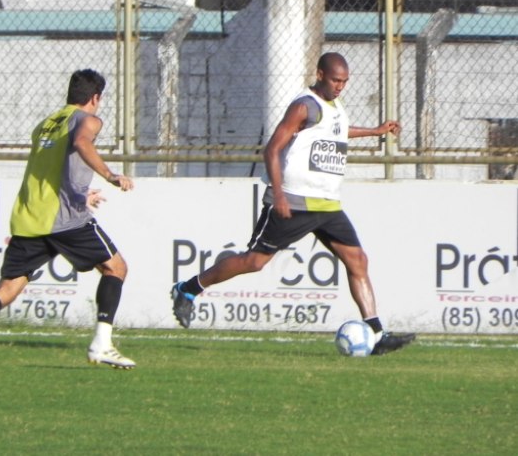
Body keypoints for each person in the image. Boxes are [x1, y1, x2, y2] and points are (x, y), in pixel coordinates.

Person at [171, 52, 415, 355]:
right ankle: (188, 289)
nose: (341, 86)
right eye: (336, 80)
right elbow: (272, 149)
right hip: (294, 201)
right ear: (320, 74)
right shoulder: (303, 106)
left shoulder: (334, 106)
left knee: (358, 261)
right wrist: (280, 194)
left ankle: (377, 335)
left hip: (326, 204)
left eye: (345, 82)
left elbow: (336, 132)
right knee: (254, 262)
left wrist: (375, 131)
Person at [0, 69, 136, 369]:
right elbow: (84, 143)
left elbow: (49, 172)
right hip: (65, 220)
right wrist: (111, 176)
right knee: (116, 268)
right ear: (95, 97)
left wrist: (81, 196)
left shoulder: (46, 124)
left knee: (7, 288)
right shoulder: (88, 120)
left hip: (30, 218)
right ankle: (102, 344)